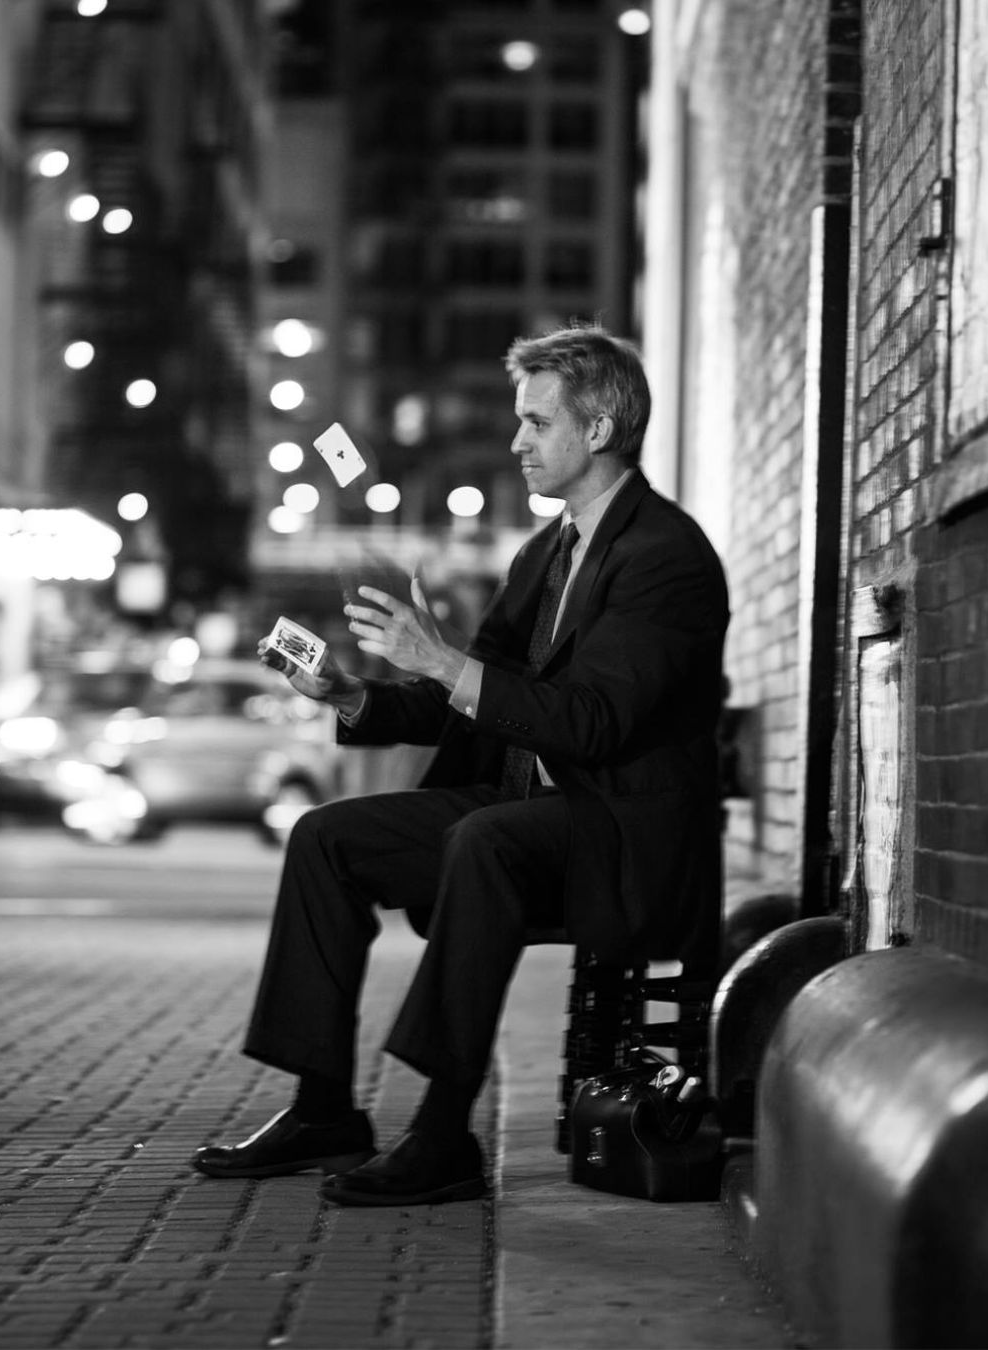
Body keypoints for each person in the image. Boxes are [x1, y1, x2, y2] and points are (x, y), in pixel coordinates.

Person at [193, 324, 729, 1206]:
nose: (516, 441)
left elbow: (593, 723)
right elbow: (470, 694)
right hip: (530, 812)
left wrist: (439, 657)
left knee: (487, 838)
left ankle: (443, 1135)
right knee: (326, 837)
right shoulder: (546, 552)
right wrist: (352, 694)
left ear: (597, 431)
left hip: (624, 834)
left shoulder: (664, 555)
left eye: (535, 422)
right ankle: (324, 1106)